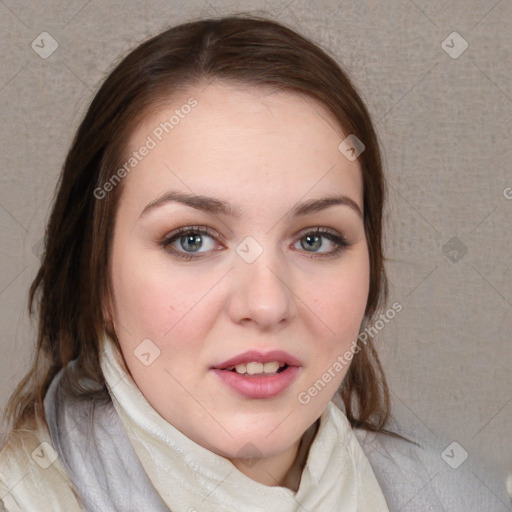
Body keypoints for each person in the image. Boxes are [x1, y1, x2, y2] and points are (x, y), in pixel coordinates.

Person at [0, 14, 504, 511]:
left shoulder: (460, 495)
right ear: (97, 281)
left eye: (315, 240)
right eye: (192, 239)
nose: (266, 303)